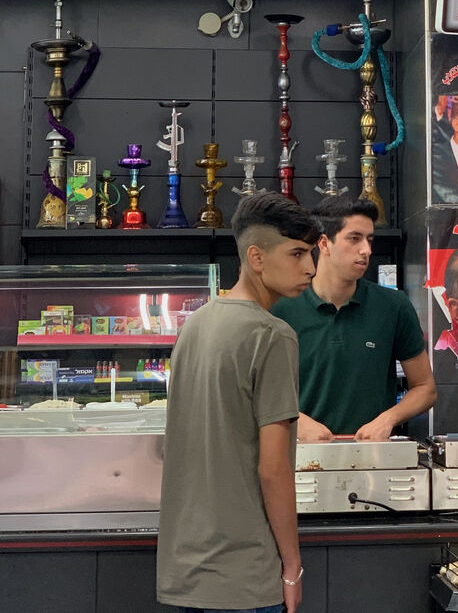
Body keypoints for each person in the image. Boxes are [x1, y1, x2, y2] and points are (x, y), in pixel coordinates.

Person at [157, 191, 321, 613]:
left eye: (312, 254)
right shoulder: (273, 335)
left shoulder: (195, 324)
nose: (310, 267)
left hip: (183, 571)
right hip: (245, 578)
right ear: (257, 257)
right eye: (297, 253)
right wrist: (292, 568)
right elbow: (273, 469)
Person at [272, 195, 436, 441]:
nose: (366, 250)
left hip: (374, 461)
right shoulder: (281, 308)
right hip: (299, 460)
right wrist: (294, 419)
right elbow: (255, 389)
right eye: (354, 238)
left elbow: (426, 388)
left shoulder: (394, 306)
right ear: (324, 243)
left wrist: (387, 419)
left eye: (369, 240)